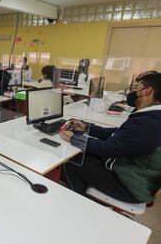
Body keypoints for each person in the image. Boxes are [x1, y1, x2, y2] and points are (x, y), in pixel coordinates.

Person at [60, 73, 161, 204]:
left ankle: (79, 203)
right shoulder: (152, 117)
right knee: (86, 155)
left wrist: (75, 138)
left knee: (73, 161)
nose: (132, 92)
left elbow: (106, 149)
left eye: (137, 88)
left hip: (131, 187)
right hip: (136, 175)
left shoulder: (149, 123)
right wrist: (87, 128)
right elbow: (121, 134)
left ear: (147, 91)